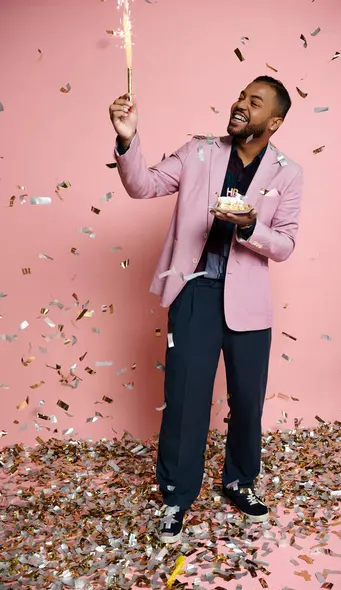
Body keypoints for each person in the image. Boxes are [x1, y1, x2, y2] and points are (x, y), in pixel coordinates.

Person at [109, 76, 303, 543]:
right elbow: (144, 185)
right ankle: (176, 497)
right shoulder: (198, 151)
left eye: (254, 103)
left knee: (247, 402)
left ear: (273, 122)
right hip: (194, 292)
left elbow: (287, 243)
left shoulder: (288, 172)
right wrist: (127, 137)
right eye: (241, 96)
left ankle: (239, 482)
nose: (240, 105)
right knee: (185, 400)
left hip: (249, 303)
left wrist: (252, 226)